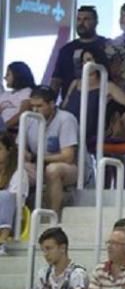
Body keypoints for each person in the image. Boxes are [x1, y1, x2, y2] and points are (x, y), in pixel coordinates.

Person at [22, 86, 79, 218]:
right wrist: (24, 154)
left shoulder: (66, 119)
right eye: (33, 106)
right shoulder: (29, 118)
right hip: (38, 164)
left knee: (53, 170)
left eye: (39, 106)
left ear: (52, 104)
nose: (35, 110)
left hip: (68, 168)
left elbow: (68, 156)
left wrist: (38, 158)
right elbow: (20, 147)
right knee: (15, 167)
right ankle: (17, 220)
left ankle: (52, 217)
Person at [52, 5, 109, 103]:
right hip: (71, 104)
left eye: (86, 19)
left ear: (96, 22)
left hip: (100, 104)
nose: (81, 23)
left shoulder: (107, 46)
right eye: (78, 19)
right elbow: (56, 80)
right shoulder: (66, 49)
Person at [0, 133, 27, 254]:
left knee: (5, 196)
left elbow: (17, 202)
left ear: (9, 151)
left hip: (13, 218)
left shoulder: (19, 173)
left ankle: (1, 242)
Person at [0, 61, 36, 130]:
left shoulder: (26, 92)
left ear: (17, 75)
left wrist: (4, 127)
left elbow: (22, 113)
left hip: (13, 130)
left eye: (8, 74)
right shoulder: (5, 94)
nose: (5, 78)